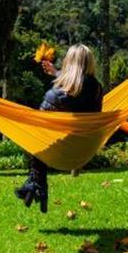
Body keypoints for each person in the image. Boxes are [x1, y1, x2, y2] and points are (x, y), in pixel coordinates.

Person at [14, 44, 104, 213]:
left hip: (64, 152)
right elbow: (79, 88)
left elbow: (40, 126)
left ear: (68, 63)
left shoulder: (55, 95)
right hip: (86, 148)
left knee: (33, 137)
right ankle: (35, 183)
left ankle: (37, 183)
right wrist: (56, 74)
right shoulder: (97, 89)